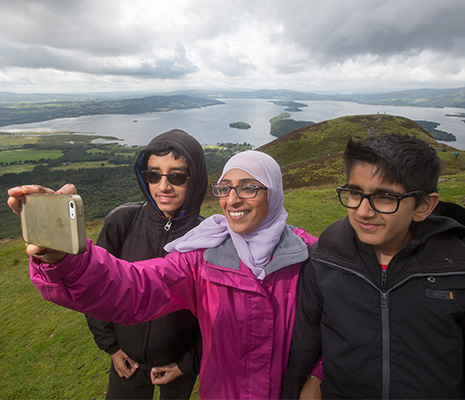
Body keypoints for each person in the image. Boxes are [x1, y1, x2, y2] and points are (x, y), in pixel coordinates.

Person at [8, 150, 323, 400]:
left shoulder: (310, 257)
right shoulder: (202, 259)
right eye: (225, 188)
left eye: (249, 187)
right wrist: (64, 258)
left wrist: (318, 376)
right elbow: (133, 288)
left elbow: (341, 323)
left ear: (275, 193)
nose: (232, 199)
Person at [282, 134, 465, 399]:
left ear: (424, 205)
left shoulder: (456, 266)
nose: (363, 211)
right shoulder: (326, 258)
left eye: (385, 197)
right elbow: (304, 346)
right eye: (355, 193)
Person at [86, 129, 207, 399]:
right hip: (126, 361)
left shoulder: (207, 238)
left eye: (177, 176)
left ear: (195, 180)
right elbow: (97, 289)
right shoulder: (122, 222)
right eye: (153, 175)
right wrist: (112, 348)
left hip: (178, 366)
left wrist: (187, 363)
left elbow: (215, 314)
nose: (163, 186)